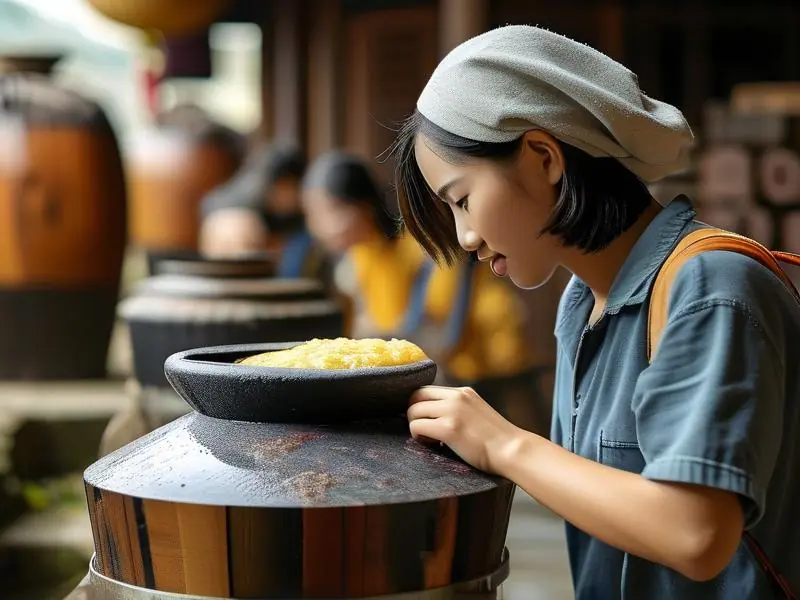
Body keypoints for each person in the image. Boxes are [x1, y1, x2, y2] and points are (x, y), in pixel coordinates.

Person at [392, 25, 799, 600]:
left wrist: (507, 446)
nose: (464, 237)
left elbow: (697, 534)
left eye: (462, 200)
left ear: (542, 158)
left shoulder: (711, 286)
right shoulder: (580, 303)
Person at [303, 151, 538, 412]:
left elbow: (440, 327)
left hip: (489, 363)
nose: (318, 227)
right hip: (448, 371)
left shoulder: (424, 243)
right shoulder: (363, 254)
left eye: (328, 211)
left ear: (361, 204)